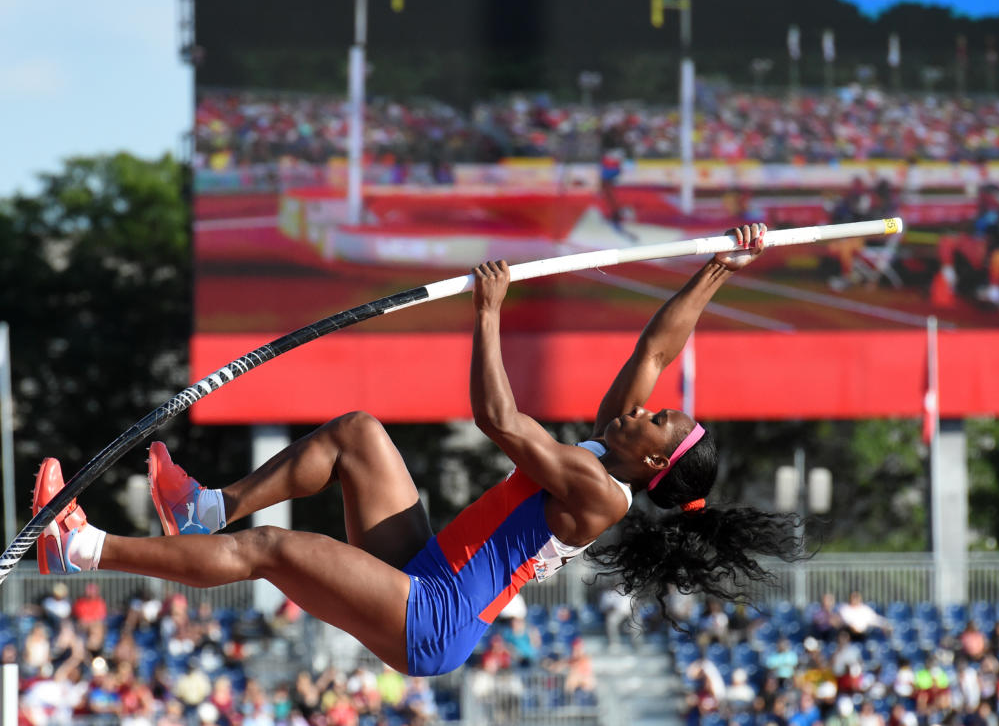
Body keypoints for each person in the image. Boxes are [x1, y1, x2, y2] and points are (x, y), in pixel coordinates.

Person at [33, 223, 804, 677]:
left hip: (435, 616)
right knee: (358, 434)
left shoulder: (599, 492)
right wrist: (718, 268)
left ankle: (84, 550)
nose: (648, 407)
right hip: (426, 568)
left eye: (660, 420)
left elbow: (498, 419)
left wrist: (489, 312)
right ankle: (205, 507)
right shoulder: (610, 442)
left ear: (653, 462)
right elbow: (656, 348)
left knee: (272, 549)